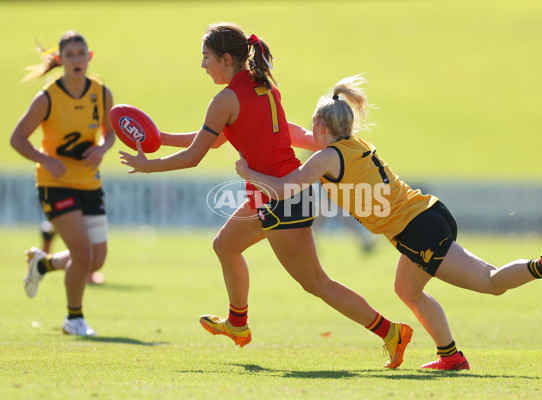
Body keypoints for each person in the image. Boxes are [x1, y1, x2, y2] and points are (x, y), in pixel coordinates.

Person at [235, 75, 542, 370]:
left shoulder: (325, 158)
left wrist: (245, 170)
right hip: (431, 214)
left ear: (320, 124)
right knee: (438, 287)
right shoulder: (352, 145)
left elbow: (283, 189)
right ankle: (456, 350)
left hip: (415, 230)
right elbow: (300, 140)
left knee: (469, 285)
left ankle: (532, 276)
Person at [119, 23, 412, 369]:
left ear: (226, 59)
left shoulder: (225, 99)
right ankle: (238, 324)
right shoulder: (263, 85)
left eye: (206, 57)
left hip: (280, 196)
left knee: (316, 282)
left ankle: (390, 332)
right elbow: (214, 139)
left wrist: (147, 165)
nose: (203, 65)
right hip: (275, 192)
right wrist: (159, 137)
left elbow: (195, 155)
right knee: (225, 246)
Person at [10, 31, 115, 336]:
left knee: (96, 261)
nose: (76, 60)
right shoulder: (47, 97)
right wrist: (45, 160)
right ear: (61, 60)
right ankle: (74, 319)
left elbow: (110, 133)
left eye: (80, 54)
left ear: (89, 57)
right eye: (69, 55)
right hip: (54, 184)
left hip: (90, 183)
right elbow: (17, 139)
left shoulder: (101, 92)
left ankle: (42, 266)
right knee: (82, 254)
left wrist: (101, 149)